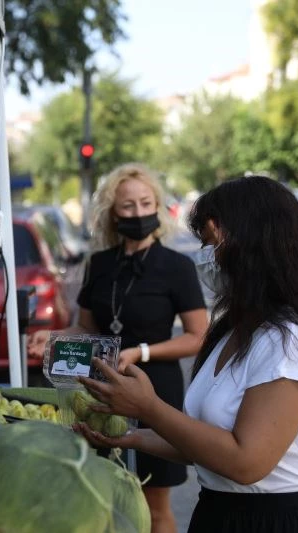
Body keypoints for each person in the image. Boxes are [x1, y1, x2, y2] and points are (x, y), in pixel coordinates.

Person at [76, 176, 298, 533]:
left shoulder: (295, 341)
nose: (205, 258)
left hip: (284, 521)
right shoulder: (236, 331)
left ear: (254, 247)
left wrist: (149, 407)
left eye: (211, 244)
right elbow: (209, 441)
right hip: (224, 514)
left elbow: (245, 461)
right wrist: (128, 437)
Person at [27, 163, 209, 533]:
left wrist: (140, 352)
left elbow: (197, 337)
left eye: (146, 203)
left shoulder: (177, 266)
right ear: (112, 211)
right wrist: (55, 337)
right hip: (98, 390)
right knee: (101, 495)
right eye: (128, 206)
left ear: (158, 207)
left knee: (154, 504)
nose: (138, 213)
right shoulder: (99, 264)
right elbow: (87, 327)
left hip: (157, 391)